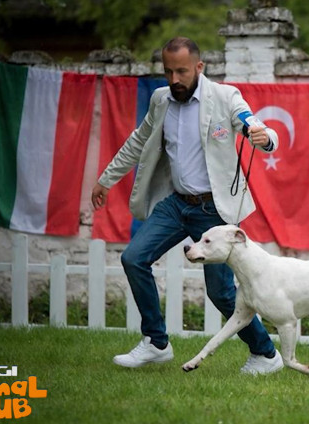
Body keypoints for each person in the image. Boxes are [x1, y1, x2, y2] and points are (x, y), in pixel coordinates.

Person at [91, 36, 283, 375]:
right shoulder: (160, 99)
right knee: (134, 258)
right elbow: (139, 140)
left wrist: (263, 136)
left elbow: (253, 123)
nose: (174, 79)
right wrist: (107, 178)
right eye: (168, 71)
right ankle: (156, 343)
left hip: (214, 214)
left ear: (199, 67)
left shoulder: (225, 97)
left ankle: (266, 354)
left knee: (222, 294)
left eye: (181, 71)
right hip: (176, 203)